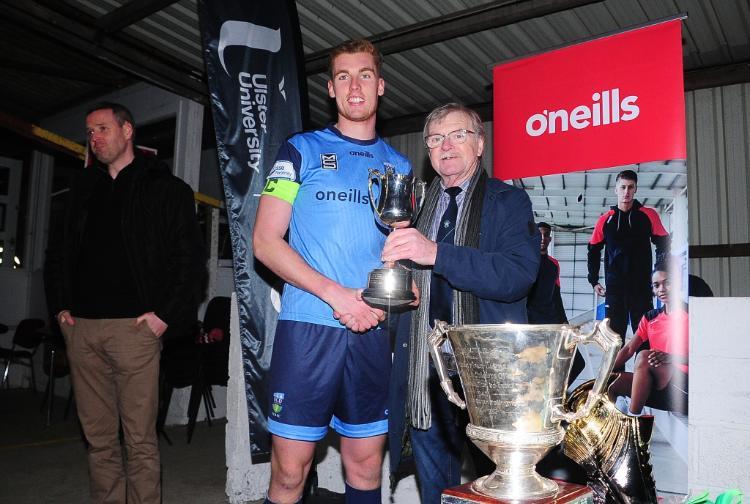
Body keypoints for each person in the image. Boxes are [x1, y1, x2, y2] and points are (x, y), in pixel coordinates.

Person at [252, 39, 412, 504]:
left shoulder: (398, 166)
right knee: (288, 473)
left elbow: (397, 254)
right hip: (309, 329)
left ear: (380, 86)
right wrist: (337, 295)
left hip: (371, 332)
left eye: (364, 75)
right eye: (343, 76)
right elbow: (264, 241)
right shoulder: (299, 151)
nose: (354, 85)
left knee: (364, 468)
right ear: (330, 89)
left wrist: (388, 301)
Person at [46, 102, 206, 503]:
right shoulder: (82, 189)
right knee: (98, 439)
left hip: (135, 330)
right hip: (82, 328)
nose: (94, 138)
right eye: (90, 133)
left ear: (128, 130)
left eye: (102, 129)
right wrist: (62, 309)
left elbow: (189, 262)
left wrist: (164, 317)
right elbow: (57, 254)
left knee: (139, 439)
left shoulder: (165, 190)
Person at [384, 103, 540, 503]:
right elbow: (407, 275)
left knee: (499, 488)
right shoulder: (414, 206)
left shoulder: (509, 202)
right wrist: (405, 290)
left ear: (480, 144)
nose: (446, 146)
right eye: (435, 139)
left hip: (488, 376)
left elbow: (517, 275)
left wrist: (437, 254)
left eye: (458, 135)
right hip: (426, 372)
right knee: (437, 488)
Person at [587, 170, 670, 346]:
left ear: (635, 189)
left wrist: (658, 272)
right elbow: (593, 250)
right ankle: (615, 374)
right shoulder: (605, 220)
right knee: (614, 343)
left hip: (641, 290)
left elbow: (663, 243)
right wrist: (593, 280)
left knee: (645, 340)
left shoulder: (648, 215)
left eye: (630, 187)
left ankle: (643, 374)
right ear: (616, 190)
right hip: (615, 291)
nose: (626, 192)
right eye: (623, 187)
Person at [607, 266, 689, 415]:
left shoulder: (691, 315)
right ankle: (613, 428)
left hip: (684, 390)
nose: (662, 289)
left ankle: (633, 420)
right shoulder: (650, 317)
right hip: (660, 389)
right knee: (613, 382)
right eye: (657, 285)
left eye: (668, 283)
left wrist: (670, 358)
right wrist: (605, 372)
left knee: (644, 356)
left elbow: (706, 359)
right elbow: (628, 350)